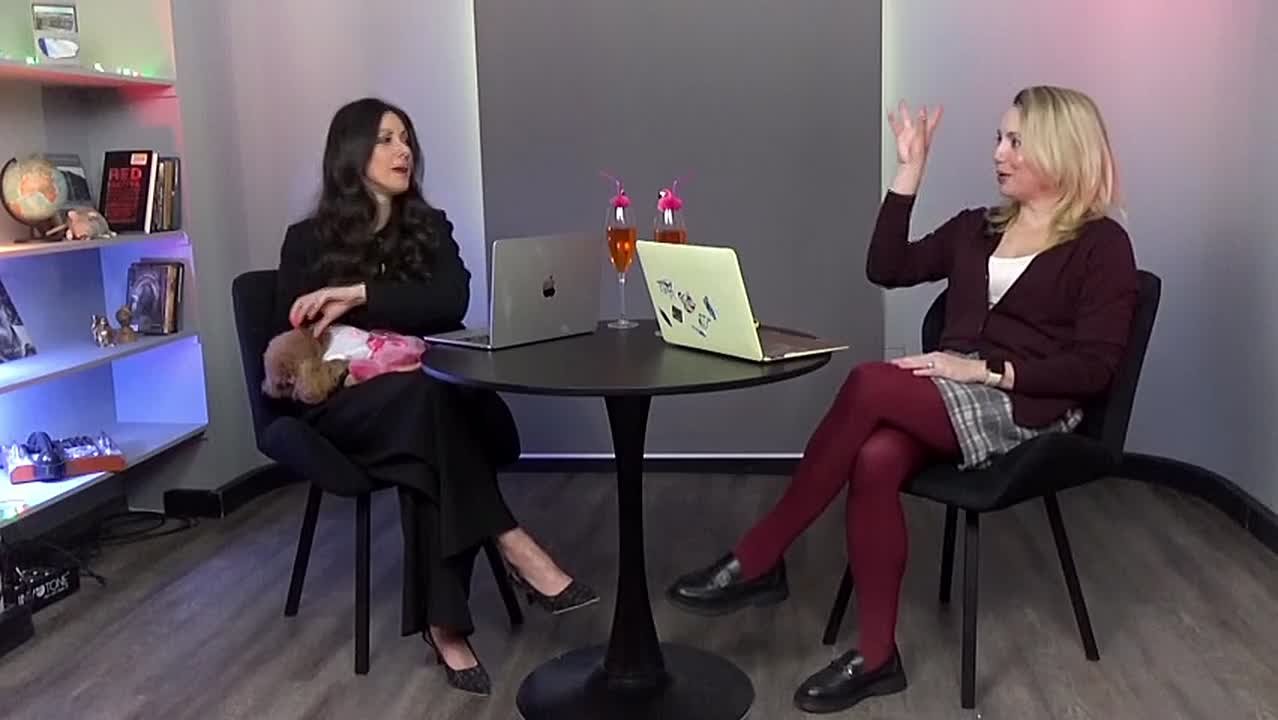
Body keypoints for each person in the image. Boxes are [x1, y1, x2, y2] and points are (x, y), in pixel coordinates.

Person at [666, 86, 1140, 714]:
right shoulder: (977, 227)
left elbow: (1095, 370)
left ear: (1060, 149)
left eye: (1015, 141)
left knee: (870, 383)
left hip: (1026, 404)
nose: (998, 153)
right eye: (998, 138)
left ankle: (761, 555)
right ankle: (876, 656)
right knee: (876, 457)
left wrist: (987, 371)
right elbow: (886, 267)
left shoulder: (1102, 245)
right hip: (952, 393)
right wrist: (909, 173)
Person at [273, 97, 599, 697]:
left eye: (406, 139)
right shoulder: (306, 241)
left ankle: (445, 625)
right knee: (433, 411)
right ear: (351, 153)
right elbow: (299, 334)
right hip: (343, 401)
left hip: (424, 404)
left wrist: (359, 295)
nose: (404, 151)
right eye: (386, 139)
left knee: (428, 436)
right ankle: (511, 541)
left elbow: (449, 303)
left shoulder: (429, 227)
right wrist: (368, 315)